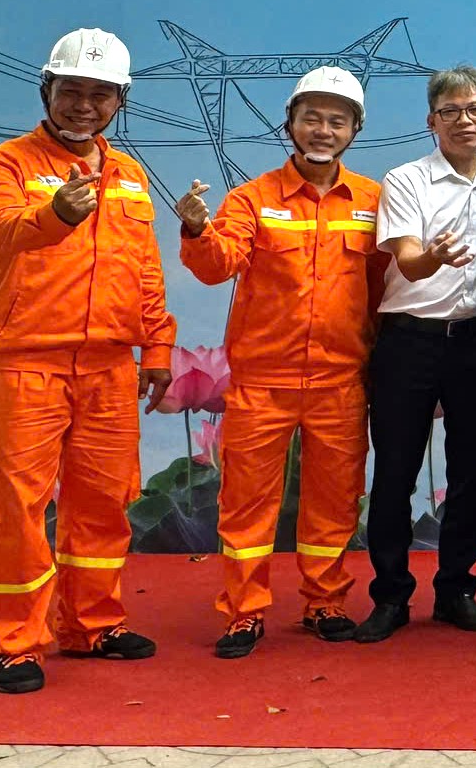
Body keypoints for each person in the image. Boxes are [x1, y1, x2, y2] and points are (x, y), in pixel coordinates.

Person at [0, 28, 176, 694]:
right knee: (14, 508)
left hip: (108, 365)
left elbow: (144, 270)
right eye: (72, 90)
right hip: (22, 361)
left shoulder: (130, 176)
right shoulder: (1, 166)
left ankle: (92, 624)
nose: (85, 105)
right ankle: (13, 644)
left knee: (104, 502)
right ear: (46, 90)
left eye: (101, 94)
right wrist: (55, 212)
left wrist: (157, 345)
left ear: (120, 101)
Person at [178, 66, 380, 658]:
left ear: (355, 130)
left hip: (341, 381)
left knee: (335, 499)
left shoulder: (373, 201)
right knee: (247, 503)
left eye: (337, 121)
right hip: (262, 382)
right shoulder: (253, 198)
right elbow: (217, 266)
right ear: (290, 124)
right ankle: (244, 613)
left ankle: (325, 603)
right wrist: (197, 229)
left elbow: (385, 287)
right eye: (311, 118)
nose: (323, 130)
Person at [357, 66, 476, 644]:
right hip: (410, 340)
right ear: (431, 121)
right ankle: (390, 596)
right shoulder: (406, 179)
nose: (463, 121)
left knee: (471, 476)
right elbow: (406, 260)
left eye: (475, 110)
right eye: (450, 111)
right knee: (395, 473)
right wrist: (435, 257)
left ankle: (456, 590)